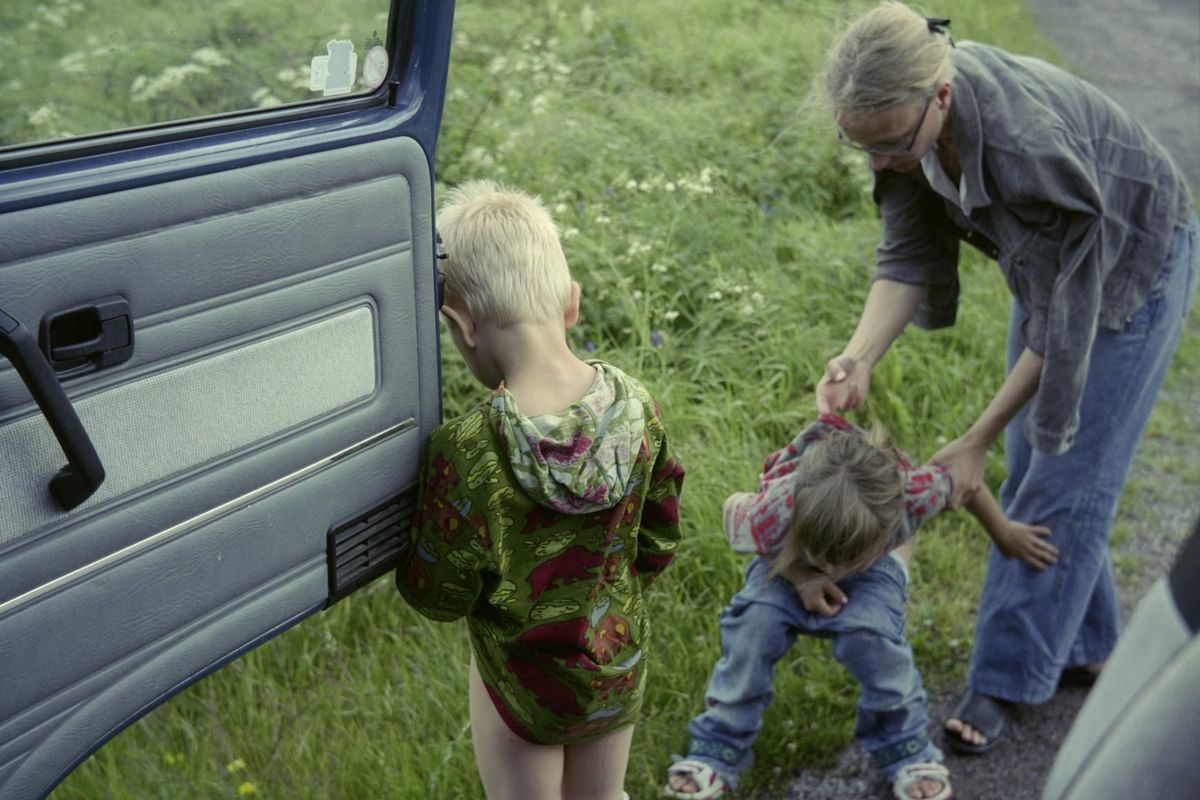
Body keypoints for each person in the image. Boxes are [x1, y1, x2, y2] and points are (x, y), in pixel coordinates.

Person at [818, 1, 1197, 754]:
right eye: (865, 148)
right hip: (1056, 281)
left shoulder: (1026, 147)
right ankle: (1089, 648)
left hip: (1131, 265)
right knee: (1042, 465)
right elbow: (907, 257)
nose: (882, 162)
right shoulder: (903, 129)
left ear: (942, 99)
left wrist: (975, 439)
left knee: (1058, 471)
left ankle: (1006, 678)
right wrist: (857, 357)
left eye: (893, 145)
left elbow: (1065, 321)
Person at [396, 180, 686, 800]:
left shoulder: (469, 448)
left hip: (521, 681)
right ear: (572, 304)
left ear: (462, 323)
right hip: (615, 662)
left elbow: (439, 594)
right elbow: (660, 537)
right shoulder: (637, 406)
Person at [663, 413, 1057, 800]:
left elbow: (966, 483)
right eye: (824, 557)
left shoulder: (911, 495)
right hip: (788, 563)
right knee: (754, 626)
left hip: (873, 571)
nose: (832, 569)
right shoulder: (778, 507)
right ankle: (717, 748)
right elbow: (735, 513)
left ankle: (906, 748)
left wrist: (1005, 534)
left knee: (871, 637)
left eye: (841, 561)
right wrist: (804, 574)